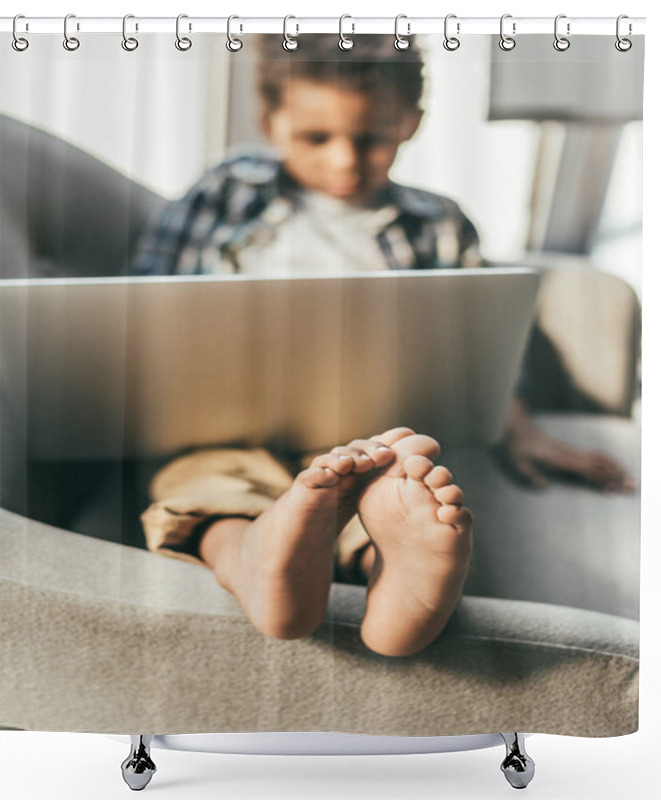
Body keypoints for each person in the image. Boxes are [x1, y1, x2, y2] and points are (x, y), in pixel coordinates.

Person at [132, 34, 631, 657]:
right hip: (217, 423)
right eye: (316, 138)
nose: (345, 160)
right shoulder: (226, 190)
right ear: (269, 122)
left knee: (389, 480)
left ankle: (394, 575)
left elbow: (479, 346)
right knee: (205, 482)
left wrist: (524, 432)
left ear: (410, 124)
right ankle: (252, 556)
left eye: (372, 139)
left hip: (362, 428)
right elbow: (148, 304)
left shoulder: (438, 222)